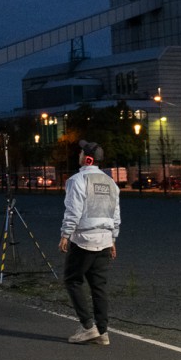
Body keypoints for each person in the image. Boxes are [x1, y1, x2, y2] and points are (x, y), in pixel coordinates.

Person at [59, 140, 121, 346]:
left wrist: (65, 234)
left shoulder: (77, 180)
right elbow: (116, 214)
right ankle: (103, 332)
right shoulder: (111, 183)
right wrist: (113, 239)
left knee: (72, 279)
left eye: (80, 152)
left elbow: (74, 210)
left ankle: (87, 326)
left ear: (87, 158)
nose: (78, 154)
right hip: (104, 239)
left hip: (84, 239)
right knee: (98, 285)